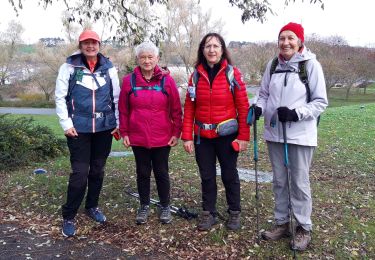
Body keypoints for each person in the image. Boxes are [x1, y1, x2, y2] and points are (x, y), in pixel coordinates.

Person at [255, 22, 328, 251]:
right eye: (282, 38)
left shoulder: (310, 65)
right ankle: (281, 223)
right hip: (275, 133)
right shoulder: (273, 64)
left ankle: (303, 227)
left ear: (300, 42)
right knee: (278, 181)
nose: (285, 42)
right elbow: (263, 93)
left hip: (300, 136)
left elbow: (320, 102)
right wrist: (258, 107)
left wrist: (296, 113)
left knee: (298, 182)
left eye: (291, 38)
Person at [181, 33, 250, 231]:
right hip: (202, 137)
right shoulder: (195, 76)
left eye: (216, 46)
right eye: (207, 46)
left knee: (229, 174)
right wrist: (187, 136)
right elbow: (190, 108)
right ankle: (208, 212)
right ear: (202, 50)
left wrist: (243, 136)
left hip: (227, 136)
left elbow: (243, 107)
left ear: (222, 50)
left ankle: (234, 212)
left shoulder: (232, 73)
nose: (212, 50)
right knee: (207, 175)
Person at [55, 29, 120, 237]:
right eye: (86, 43)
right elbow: (60, 97)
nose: (90, 46)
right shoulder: (69, 67)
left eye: (94, 43)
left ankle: (92, 206)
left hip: (104, 128)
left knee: (98, 170)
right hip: (78, 129)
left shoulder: (109, 67)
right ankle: (69, 215)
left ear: (99, 45)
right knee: (80, 173)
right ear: (80, 45)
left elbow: (116, 98)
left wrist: (117, 122)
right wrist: (66, 123)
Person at [118, 41, 182, 225]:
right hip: (138, 137)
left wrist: (175, 133)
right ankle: (144, 205)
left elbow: (176, 110)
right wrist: (125, 133)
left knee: (162, 172)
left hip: (162, 137)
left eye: (150, 57)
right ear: (137, 59)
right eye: (143, 57)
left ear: (157, 59)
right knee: (143, 172)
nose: (146, 61)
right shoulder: (128, 81)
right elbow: (123, 110)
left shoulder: (167, 81)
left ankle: (165, 206)